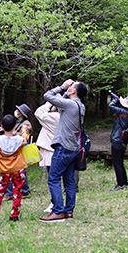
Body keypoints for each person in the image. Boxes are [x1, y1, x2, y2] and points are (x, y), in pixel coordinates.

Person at [39, 78, 87, 222]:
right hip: (73, 148)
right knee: (69, 182)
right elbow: (60, 105)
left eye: (72, 87)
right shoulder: (80, 106)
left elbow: (47, 96)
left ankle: (58, 211)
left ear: (73, 91)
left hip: (63, 148)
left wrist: (62, 86)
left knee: (53, 179)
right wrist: (68, 90)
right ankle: (68, 212)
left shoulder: (70, 105)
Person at [0, 114, 30, 224]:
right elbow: (25, 137)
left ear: (2, 126)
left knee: (0, 192)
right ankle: (14, 215)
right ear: (15, 127)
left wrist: (2, 131)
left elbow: (3, 138)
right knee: (17, 192)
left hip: (5, 171)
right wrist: (24, 130)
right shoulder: (19, 140)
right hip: (18, 170)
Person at [3, 103, 33, 200]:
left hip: (20, 150)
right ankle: (13, 192)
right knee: (15, 169)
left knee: (20, 170)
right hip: (14, 149)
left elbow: (24, 136)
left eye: (18, 110)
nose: (16, 111)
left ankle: (23, 191)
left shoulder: (26, 124)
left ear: (21, 113)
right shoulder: (18, 123)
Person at [108, 91, 128, 191]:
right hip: (122, 141)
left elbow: (110, 105)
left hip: (117, 140)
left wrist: (116, 99)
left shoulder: (123, 112)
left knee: (117, 163)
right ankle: (124, 183)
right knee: (120, 163)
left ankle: (120, 185)